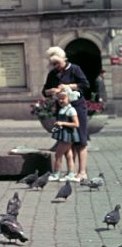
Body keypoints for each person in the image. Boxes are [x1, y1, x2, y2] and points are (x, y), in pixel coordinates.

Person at [42, 46, 90, 180]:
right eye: (53, 64)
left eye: (57, 63)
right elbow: (44, 91)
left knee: (80, 139)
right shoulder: (52, 74)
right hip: (62, 110)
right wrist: (50, 91)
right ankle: (71, 172)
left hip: (77, 108)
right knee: (67, 140)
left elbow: (85, 84)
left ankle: (82, 172)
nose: (56, 66)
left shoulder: (74, 69)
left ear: (63, 59)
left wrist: (69, 86)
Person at [49, 88, 80, 181]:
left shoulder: (71, 110)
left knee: (58, 154)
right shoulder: (63, 109)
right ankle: (71, 173)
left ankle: (56, 174)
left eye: (63, 98)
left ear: (69, 98)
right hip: (64, 134)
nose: (61, 100)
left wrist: (62, 123)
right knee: (68, 155)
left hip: (68, 135)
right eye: (59, 98)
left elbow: (76, 124)